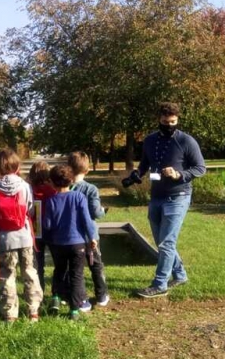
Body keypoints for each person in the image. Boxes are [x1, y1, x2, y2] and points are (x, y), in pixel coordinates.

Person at [122, 102, 206, 298]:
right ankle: (180, 274)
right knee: (161, 240)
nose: (169, 125)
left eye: (173, 122)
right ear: (159, 119)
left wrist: (179, 174)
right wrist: (137, 174)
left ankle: (160, 284)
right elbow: (145, 163)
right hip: (156, 196)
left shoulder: (186, 141)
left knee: (166, 243)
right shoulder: (150, 140)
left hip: (178, 196)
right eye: (165, 121)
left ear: (177, 120)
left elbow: (200, 168)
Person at [0, 149, 43, 323]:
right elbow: (30, 209)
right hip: (24, 236)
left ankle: (10, 313)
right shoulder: (25, 186)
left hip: (5, 239)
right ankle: (33, 310)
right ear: (17, 165)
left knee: (7, 275)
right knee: (29, 271)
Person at [44, 165, 97, 320]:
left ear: (52, 183)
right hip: (77, 243)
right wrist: (92, 237)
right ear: (71, 180)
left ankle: (56, 298)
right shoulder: (79, 197)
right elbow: (86, 220)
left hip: (57, 244)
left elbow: (47, 225)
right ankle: (74, 310)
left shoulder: (50, 201)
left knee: (59, 270)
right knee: (76, 275)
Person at [68, 151, 110, 307]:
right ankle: (101, 295)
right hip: (89, 236)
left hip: (72, 236)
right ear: (87, 170)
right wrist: (103, 211)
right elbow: (96, 213)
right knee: (96, 265)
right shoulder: (91, 189)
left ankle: (80, 298)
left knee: (75, 270)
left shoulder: (65, 188)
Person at [27, 160, 56, 291]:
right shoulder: (52, 190)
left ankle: (39, 290)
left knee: (37, 265)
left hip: (33, 231)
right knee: (58, 262)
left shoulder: (29, 190)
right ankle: (58, 292)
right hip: (51, 230)